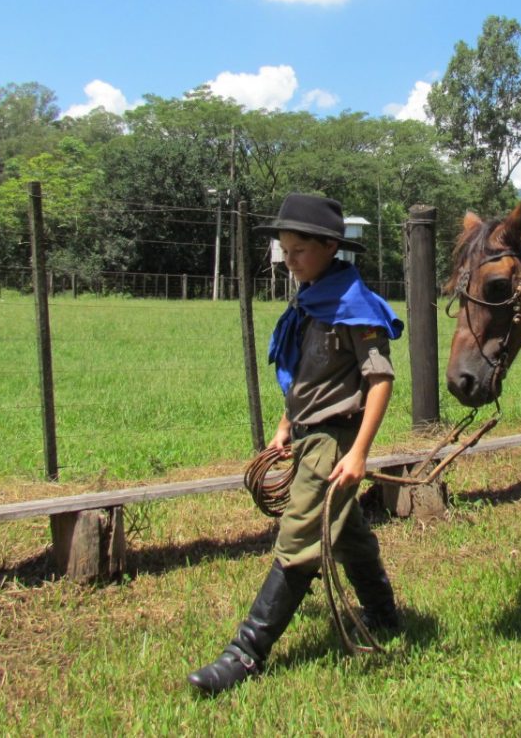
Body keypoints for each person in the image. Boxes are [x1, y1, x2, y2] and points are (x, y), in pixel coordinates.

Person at [188, 193, 404, 696]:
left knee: (300, 536)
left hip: (335, 438)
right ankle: (384, 613)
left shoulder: (355, 306)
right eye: (285, 250)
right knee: (345, 529)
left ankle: (244, 655)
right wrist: (286, 423)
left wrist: (358, 454)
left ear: (331, 246)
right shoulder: (309, 300)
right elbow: (307, 377)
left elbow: (380, 380)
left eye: (299, 250)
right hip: (306, 434)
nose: (290, 260)